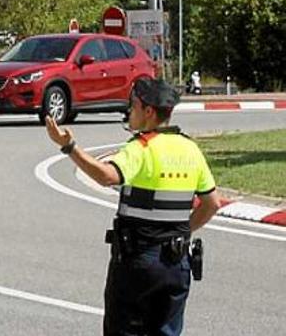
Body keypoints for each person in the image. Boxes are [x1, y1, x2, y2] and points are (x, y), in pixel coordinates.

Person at [45, 78, 222, 335]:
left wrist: (69, 147)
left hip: (139, 262)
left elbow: (106, 175)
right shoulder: (190, 149)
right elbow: (212, 203)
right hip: (176, 263)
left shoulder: (140, 148)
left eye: (134, 106)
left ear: (148, 111)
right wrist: (183, 232)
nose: (130, 111)